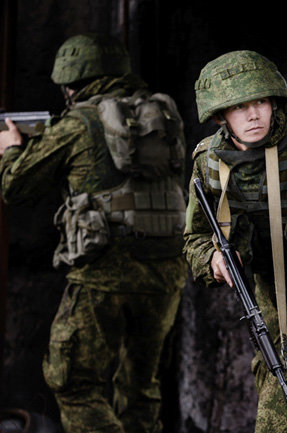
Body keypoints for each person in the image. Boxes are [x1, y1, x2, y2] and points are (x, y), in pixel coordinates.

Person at [0, 33, 187, 433]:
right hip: (165, 272)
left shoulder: (78, 123)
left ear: (70, 83)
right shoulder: (163, 117)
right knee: (141, 387)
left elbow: (16, 187)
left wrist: (11, 148)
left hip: (103, 274)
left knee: (72, 382)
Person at [183, 50, 287, 432]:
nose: (253, 115)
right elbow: (195, 238)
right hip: (271, 292)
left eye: (260, 102)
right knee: (280, 407)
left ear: (274, 102)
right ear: (221, 116)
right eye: (240, 107)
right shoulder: (209, 161)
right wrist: (213, 260)